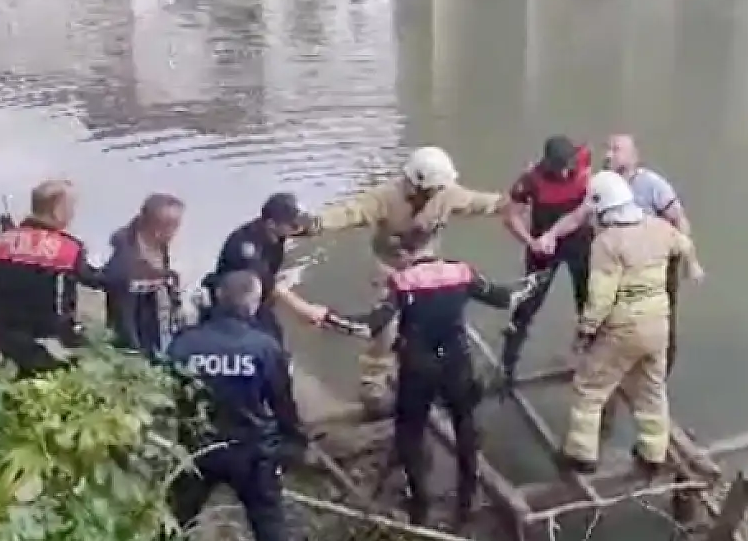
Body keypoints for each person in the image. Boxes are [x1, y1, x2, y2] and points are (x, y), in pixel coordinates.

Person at [289, 239, 535, 530]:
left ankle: (420, 505)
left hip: (419, 366)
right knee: (464, 426)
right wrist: (537, 280)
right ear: (432, 246)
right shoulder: (461, 272)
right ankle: (466, 502)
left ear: (405, 254)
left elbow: (368, 326)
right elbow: (507, 298)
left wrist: (327, 318)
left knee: (410, 433)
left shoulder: (402, 283)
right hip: (456, 361)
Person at [299, 145, 506, 413]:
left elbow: (478, 202)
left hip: (425, 268)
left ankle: (435, 374)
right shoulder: (385, 197)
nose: (437, 194)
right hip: (390, 268)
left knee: (436, 322)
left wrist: (509, 202)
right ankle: (373, 383)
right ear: (415, 184)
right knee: (386, 327)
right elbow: (350, 212)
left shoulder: (446, 194)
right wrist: (316, 224)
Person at [165, 270, 309, 541]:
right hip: (251, 453)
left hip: (198, 450)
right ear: (252, 302)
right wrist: (292, 445)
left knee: (173, 526)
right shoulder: (264, 346)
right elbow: (283, 406)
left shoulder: (184, 343)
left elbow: (170, 394)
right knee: (270, 532)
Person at [560, 170, 700, 476]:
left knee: (590, 387)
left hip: (623, 327)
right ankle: (653, 453)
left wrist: (585, 331)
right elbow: (684, 244)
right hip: (658, 325)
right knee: (651, 390)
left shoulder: (608, 243)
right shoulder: (659, 228)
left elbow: (600, 297)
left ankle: (581, 455)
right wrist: (692, 268)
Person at [535, 133, 704, 369]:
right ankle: (613, 365)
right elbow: (579, 216)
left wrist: (689, 261)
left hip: (654, 259)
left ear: (634, 156)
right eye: (608, 149)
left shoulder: (653, 184)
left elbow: (679, 221)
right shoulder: (603, 184)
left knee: (659, 317)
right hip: (619, 260)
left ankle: (658, 368)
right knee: (612, 314)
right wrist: (551, 235)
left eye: (616, 150)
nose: (608, 155)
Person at [0, 179, 102, 377]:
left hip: (1, 335)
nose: (72, 214)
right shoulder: (69, 248)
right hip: (51, 338)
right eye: (71, 208)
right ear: (57, 211)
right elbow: (93, 279)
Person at [500, 135, 593, 385]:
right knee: (527, 304)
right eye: (561, 167)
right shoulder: (531, 181)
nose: (567, 172)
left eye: (570, 166)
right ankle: (507, 365)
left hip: (580, 243)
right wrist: (531, 242)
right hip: (544, 248)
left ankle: (590, 356)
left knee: (591, 303)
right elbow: (510, 216)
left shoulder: (584, 159)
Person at [207, 192, 312, 344]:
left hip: (257, 300)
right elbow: (267, 282)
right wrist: (304, 309)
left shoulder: (276, 234)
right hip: (234, 306)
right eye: (294, 225)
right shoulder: (246, 246)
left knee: (275, 340)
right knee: (263, 343)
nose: (298, 228)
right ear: (271, 224)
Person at [103, 193, 186, 361]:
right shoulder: (126, 262)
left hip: (158, 331)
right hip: (138, 346)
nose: (176, 232)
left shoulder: (156, 246)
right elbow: (123, 318)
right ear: (158, 228)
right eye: (174, 226)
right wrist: (135, 355)